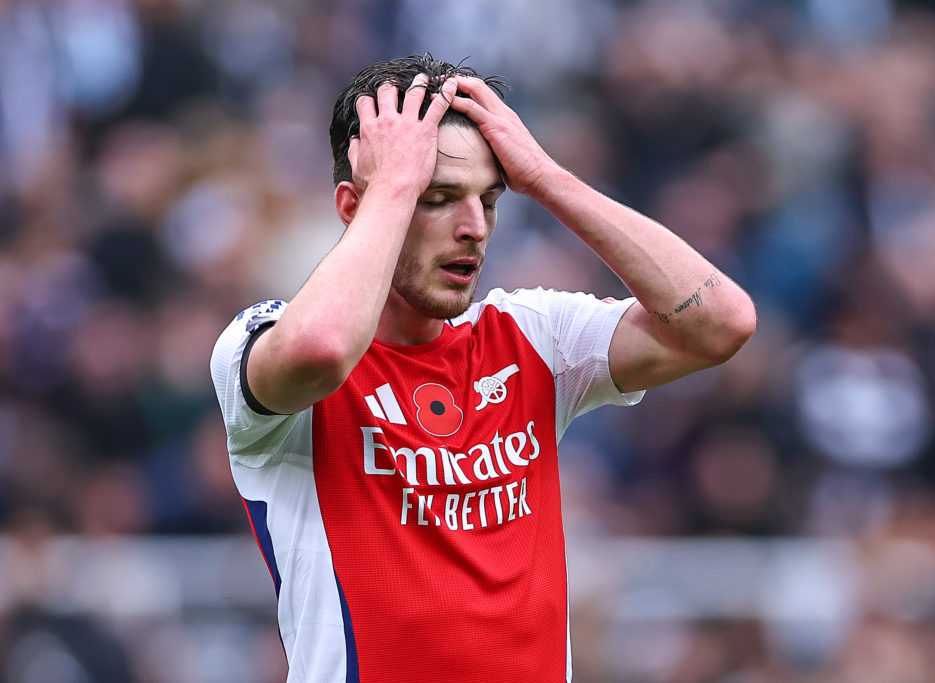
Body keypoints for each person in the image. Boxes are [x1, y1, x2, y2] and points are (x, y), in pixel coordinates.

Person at [210, 54, 756, 682]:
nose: (473, 228)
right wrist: (392, 186)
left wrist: (548, 179)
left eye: (489, 201)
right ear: (353, 205)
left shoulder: (530, 336)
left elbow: (721, 322)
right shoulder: (262, 341)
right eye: (437, 198)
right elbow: (324, 351)